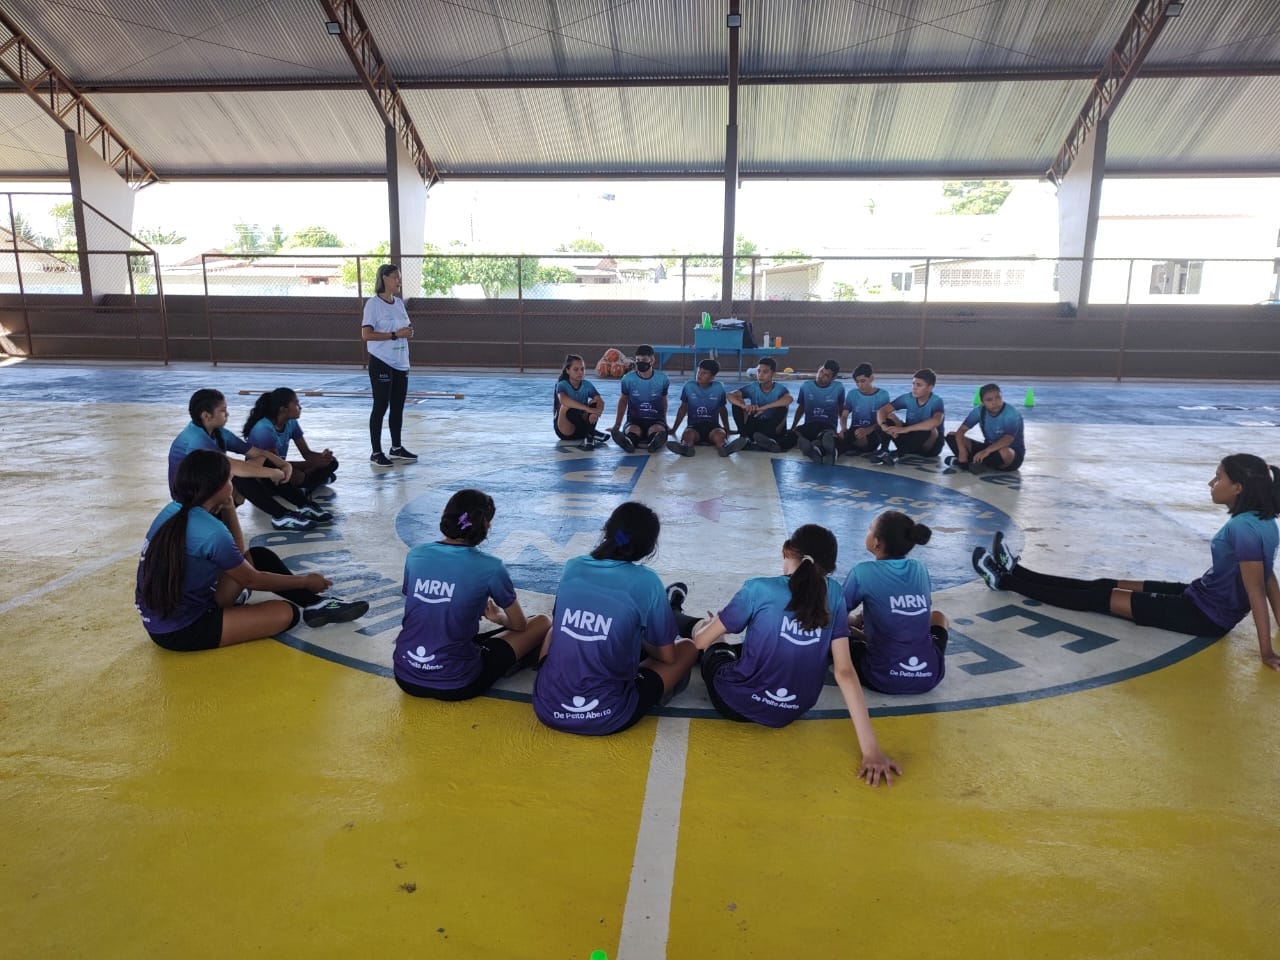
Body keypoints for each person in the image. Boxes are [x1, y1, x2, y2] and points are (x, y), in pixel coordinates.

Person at [973, 454, 1280, 671]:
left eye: (1219, 477)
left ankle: (1007, 581)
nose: (1211, 482)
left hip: (1204, 615)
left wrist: (1266, 651)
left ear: (1238, 487)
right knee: (1103, 585)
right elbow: (1270, 580)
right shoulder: (1263, 522)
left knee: (1097, 598)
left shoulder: (1243, 528)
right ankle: (1018, 570)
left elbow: (1257, 590)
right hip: (1199, 596)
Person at [686, 524, 901, 786]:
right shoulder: (833, 594)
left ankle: (676, 609)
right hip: (794, 708)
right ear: (829, 568)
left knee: (709, 638)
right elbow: (844, 672)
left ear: (786, 550)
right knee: (762, 647)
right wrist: (871, 750)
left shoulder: (758, 589)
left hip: (735, 701)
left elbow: (699, 642)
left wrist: (715, 628)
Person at [137, 450, 368, 651]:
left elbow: (241, 556)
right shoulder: (211, 531)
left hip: (168, 614)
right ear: (219, 486)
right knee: (286, 613)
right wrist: (306, 581)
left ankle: (315, 604)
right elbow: (252, 579)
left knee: (259, 556)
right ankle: (311, 601)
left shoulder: (174, 510)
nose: (234, 482)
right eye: (230, 478)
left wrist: (228, 505)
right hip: (182, 629)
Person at [532, 502, 699, 735]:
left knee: (555, 629)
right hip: (607, 714)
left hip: (547, 706)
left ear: (606, 531)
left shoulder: (573, 566)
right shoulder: (647, 581)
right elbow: (667, 656)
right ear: (649, 547)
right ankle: (658, 683)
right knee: (687, 648)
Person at [393, 489, 551, 700]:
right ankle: (515, 661)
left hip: (405, 675)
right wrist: (499, 618)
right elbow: (520, 624)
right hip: (457, 683)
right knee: (541, 622)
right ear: (486, 526)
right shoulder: (490, 567)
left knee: (463, 636)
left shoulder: (415, 555)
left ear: (445, 515)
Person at [168, 388, 323, 531]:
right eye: (223, 411)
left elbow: (255, 452)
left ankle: (304, 505)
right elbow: (232, 466)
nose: (227, 414)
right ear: (206, 415)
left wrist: (283, 465)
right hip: (190, 501)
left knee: (261, 459)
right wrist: (271, 473)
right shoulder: (196, 440)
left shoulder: (219, 433)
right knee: (238, 476)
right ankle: (280, 515)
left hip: (206, 489)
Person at [843, 511, 948, 695]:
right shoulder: (920, 568)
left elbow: (835, 613)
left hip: (882, 677)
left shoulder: (862, 572)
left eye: (869, 529)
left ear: (876, 542)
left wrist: (852, 624)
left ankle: (862, 638)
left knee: (833, 632)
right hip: (930, 675)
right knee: (938, 617)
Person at [361, 262, 417, 468]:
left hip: (400, 363)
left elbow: (405, 326)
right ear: (385, 278)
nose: (399, 281)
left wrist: (408, 332)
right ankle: (376, 452)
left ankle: (396, 448)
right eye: (396, 277)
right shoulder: (373, 305)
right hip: (382, 361)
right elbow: (366, 335)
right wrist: (394, 335)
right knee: (381, 404)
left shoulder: (399, 303)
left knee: (397, 406)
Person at [243, 387, 339, 496]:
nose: (300, 407)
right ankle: (314, 482)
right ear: (283, 409)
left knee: (332, 462)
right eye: (296, 404)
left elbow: (306, 453)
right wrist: (310, 465)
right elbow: (274, 463)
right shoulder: (264, 428)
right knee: (298, 476)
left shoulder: (291, 423)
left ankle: (309, 483)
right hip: (263, 473)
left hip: (282, 466)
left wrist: (322, 457)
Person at [944, 383, 1025, 472]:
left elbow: (1008, 439)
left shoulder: (1011, 413)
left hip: (1011, 454)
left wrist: (986, 451)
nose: (995, 402)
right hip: (989, 448)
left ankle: (967, 463)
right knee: (952, 435)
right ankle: (976, 463)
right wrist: (962, 451)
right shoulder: (979, 411)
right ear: (982, 402)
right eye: (989, 400)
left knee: (1005, 452)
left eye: (998, 398)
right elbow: (961, 431)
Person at [722, 357, 792, 454]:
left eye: (765, 372)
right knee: (736, 404)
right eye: (759, 371)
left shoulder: (779, 389)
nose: (761, 375)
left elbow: (789, 399)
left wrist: (765, 407)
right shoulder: (753, 387)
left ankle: (768, 440)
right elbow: (730, 395)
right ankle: (744, 438)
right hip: (756, 423)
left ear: (773, 374)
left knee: (782, 408)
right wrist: (744, 406)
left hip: (772, 427)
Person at [875, 368, 945, 465]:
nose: (914, 388)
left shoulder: (936, 401)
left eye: (919, 385)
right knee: (888, 416)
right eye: (913, 384)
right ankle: (884, 450)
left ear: (930, 387)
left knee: (930, 429)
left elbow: (936, 421)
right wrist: (884, 426)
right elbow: (882, 410)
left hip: (928, 447)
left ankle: (897, 454)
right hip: (910, 439)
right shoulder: (908, 398)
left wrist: (904, 429)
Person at [781, 359, 844, 464]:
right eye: (821, 371)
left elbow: (841, 409)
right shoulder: (806, 386)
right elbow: (801, 408)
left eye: (826, 376)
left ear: (833, 378)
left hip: (827, 426)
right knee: (792, 436)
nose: (821, 376)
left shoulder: (839, 388)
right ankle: (812, 447)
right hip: (810, 425)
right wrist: (793, 427)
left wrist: (843, 429)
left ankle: (821, 446)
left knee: (829, 437)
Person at [609, 344, 670, 453]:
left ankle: (655, 443)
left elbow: (664, 401)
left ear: (652, 360)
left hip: (655, 420)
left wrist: (665, 421)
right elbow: (623, 401)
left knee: (657, 430)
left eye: (644, 360)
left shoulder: (662, 379)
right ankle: (629, 443)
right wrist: (617, 424)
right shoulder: (628, 379)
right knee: (632, 431)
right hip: (635, 420)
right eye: (638, 360)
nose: (640, 362)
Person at [666, 358, 732, 457]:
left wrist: (727, 429)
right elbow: (682, 409)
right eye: (699, 371)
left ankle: (724, 448)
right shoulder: (689, 386)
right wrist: (674, 429)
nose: (699, 375)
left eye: (704, 373)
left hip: (713, 427)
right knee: (687, 435)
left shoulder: (719, 388)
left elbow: (722, 410)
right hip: (694, 427)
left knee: (720, 436)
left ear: (712, 377)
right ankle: (687, 447)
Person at [554, 353, 609, 448]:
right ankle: (591, 432)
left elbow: (600, 401)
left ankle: (589, 435)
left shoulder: (587, 385)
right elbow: (563, 400)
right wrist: (588, 409)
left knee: (595, 402)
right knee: (567, 407)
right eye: (576, 369)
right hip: (566, 430)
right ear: (567, 370)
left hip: (581, 427)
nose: (580, 372)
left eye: (582, 369)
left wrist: (596, 412)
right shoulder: (562, 384)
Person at [837, 362, 891, 458]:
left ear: (871, 378)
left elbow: (885, 420)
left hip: (873, 433)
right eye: (857, 382)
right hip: (854, 431)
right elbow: (844, 415)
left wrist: (868, 430)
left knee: (889, 419)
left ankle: (883, 450)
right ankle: (826, 447)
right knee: (844, 435)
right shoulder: (852, 394)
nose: (860, 385)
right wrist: (843, 428)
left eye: (863, 381)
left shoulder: (882, 395)